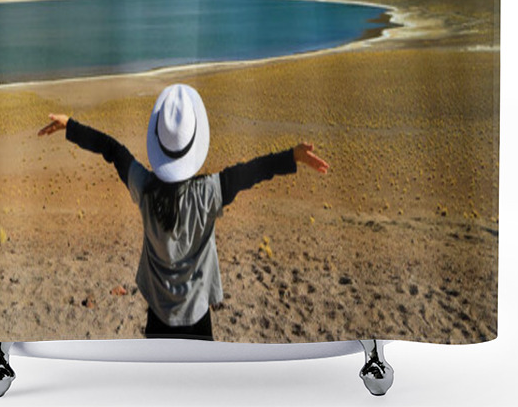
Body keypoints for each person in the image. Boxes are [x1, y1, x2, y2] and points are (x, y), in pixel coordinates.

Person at [38, 82, 329, 341]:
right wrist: (292, 157)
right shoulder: (209, 192)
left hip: (158, 314)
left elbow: (113, 150)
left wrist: (71, 127)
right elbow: (251, 172)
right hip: (197, 315)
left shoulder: (145, 189)